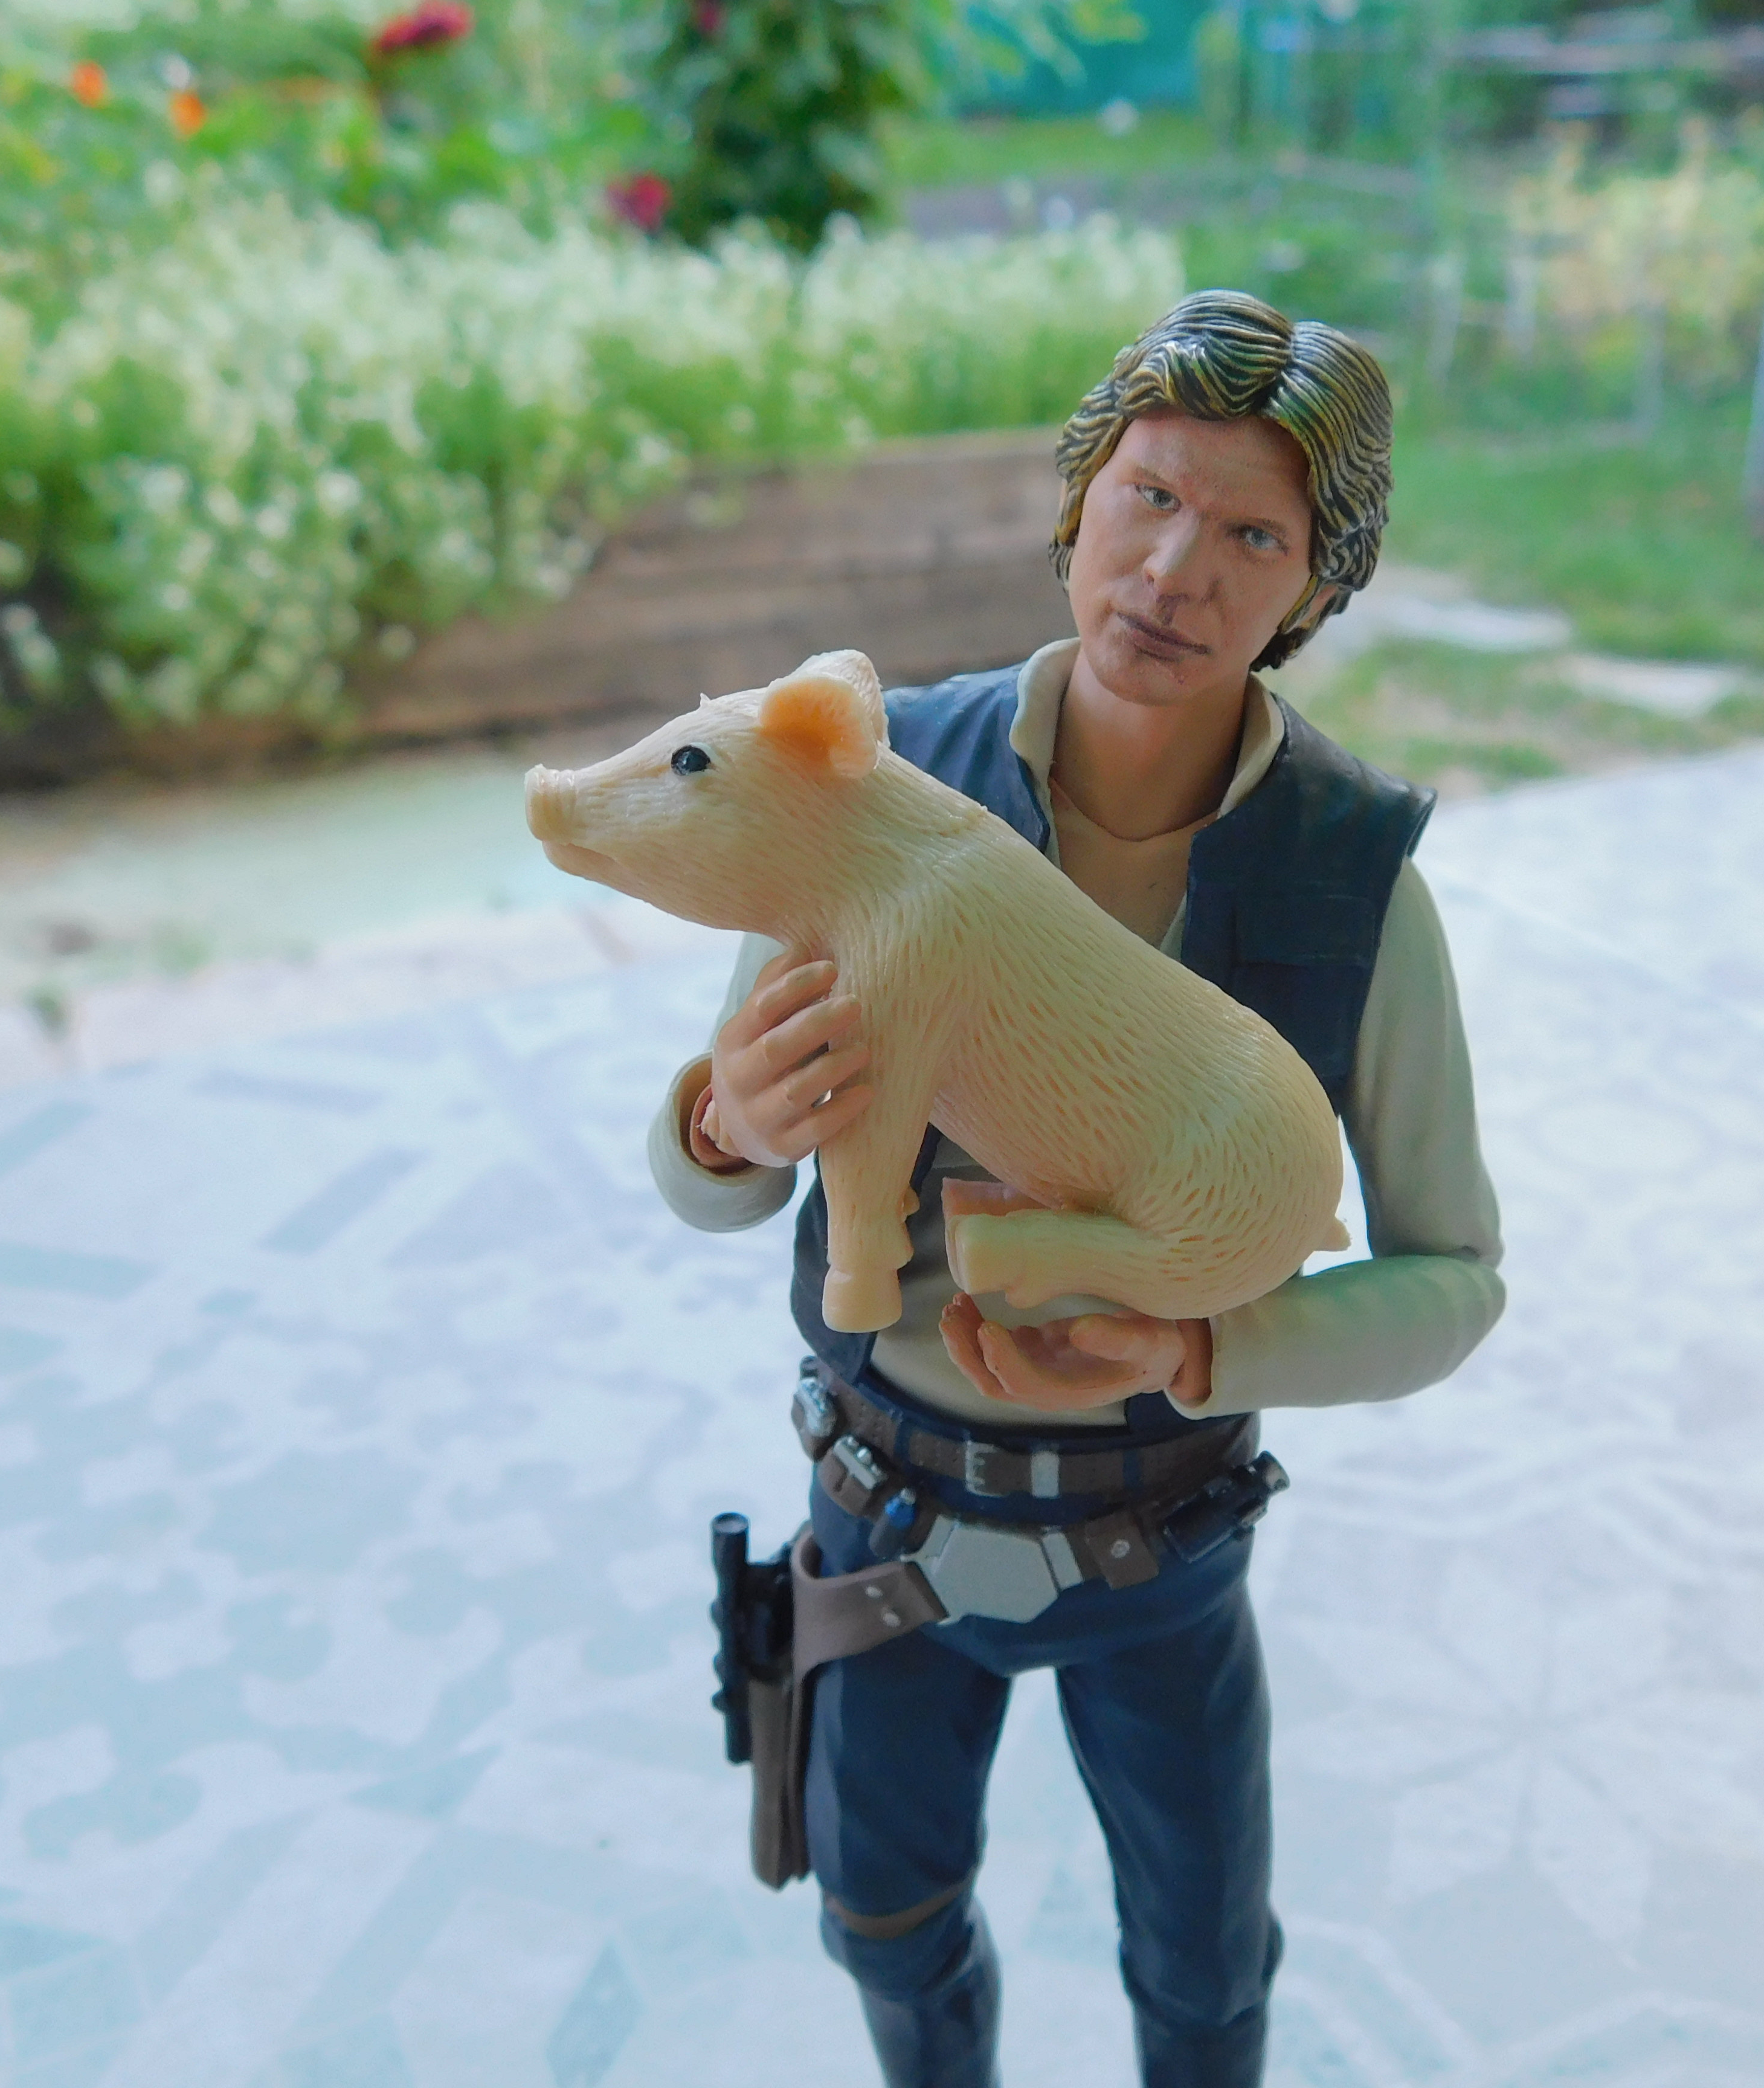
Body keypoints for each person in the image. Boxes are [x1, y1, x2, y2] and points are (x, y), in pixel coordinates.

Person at [648, 290, 1504, 2088]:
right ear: (1079, 500)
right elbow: (717, 1176)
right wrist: (728, 1121)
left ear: (1317, 588)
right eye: (1150, 497)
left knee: (1204, 1962)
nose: (1176, 571)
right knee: (885, 1917)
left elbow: (1453, 1275)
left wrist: (1207, 1350)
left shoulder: (1351, 881)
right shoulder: (870, 782)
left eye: (1254, 535)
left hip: (1159, 1535)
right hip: (883, 1515)